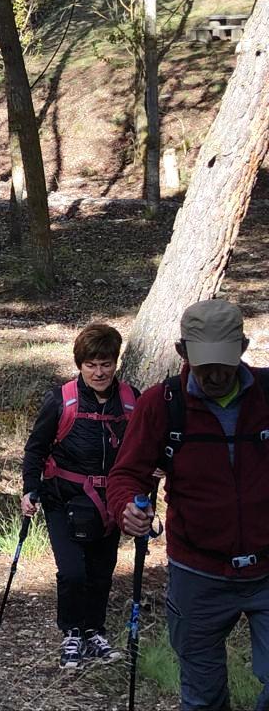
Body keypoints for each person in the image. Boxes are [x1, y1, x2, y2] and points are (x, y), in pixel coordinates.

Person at [109, 299, 269, 710]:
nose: (215, 374)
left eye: (224, 362)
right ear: (182, 353)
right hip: (198, 571)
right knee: (202, 698)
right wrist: (127, 507)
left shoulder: (267, 396)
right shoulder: (163, 404)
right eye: (203, 363)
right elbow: (127, 475)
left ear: (243, 348)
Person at [22, 324, 138, 669]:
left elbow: (145, 448)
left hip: (112, 500)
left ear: (115, 363)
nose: (99, 372)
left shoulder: (133, 400)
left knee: (103, 570)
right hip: (64, 498)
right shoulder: (61, 400)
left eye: (106, 364)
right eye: (91, 365)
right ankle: (72, 631)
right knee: (72, 571)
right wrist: (30, 488)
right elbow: (36, 449)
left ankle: (94, 631)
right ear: (80, 364)